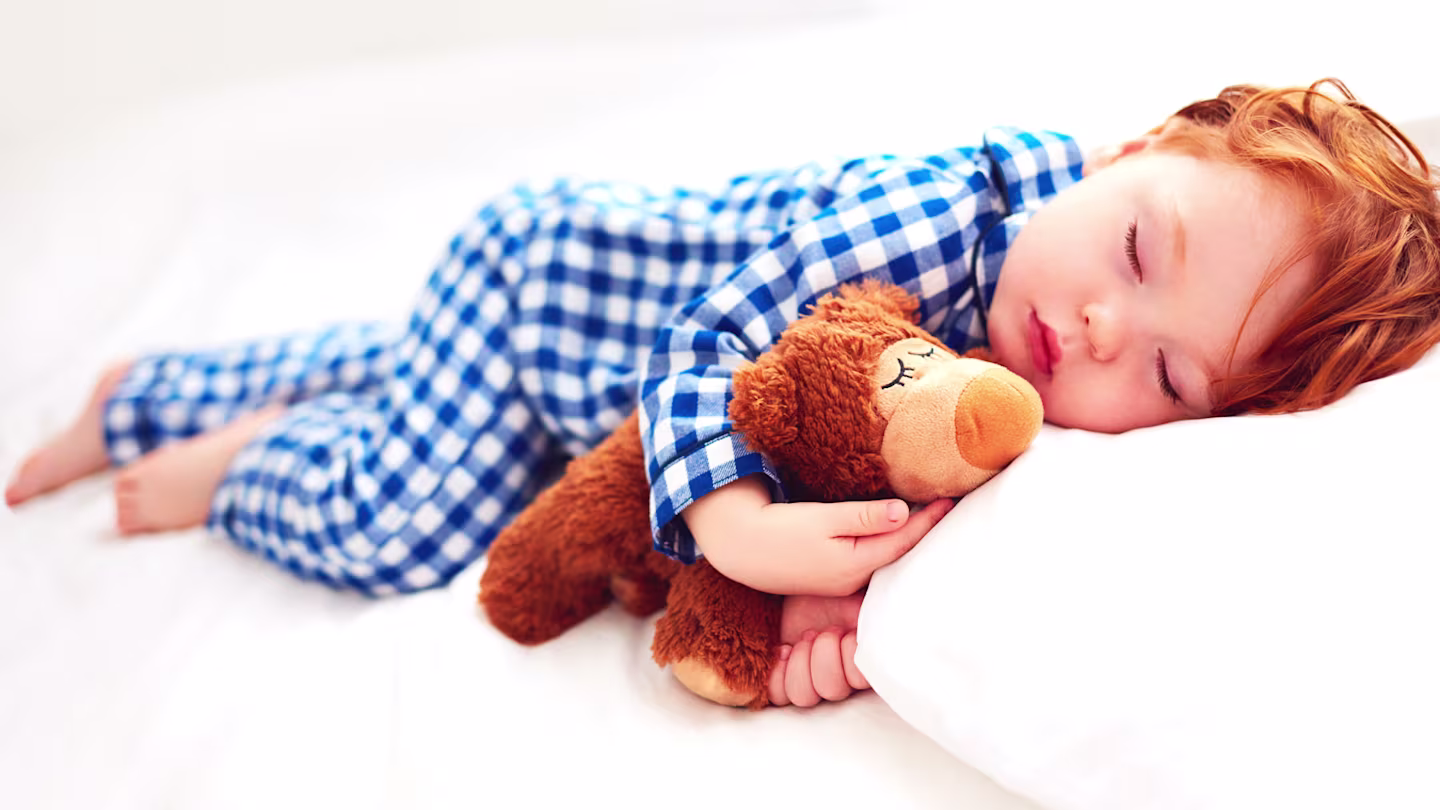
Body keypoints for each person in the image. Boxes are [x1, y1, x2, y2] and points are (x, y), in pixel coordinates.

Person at [8, 79, 1440, 708]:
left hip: (572, 387)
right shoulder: (944, 212)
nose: (1096, 324)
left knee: (399, 375)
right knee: (401, 520)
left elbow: (887, 488)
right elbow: (706, 348)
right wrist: (739, 523)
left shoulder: (1040, 423)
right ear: (1126, 150)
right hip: (554, 293)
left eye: (1171, 371)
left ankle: (152, 388)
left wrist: (829, 616)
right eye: (1135, 246)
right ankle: (240, 461)